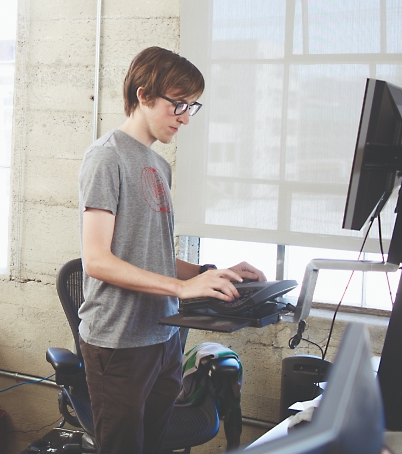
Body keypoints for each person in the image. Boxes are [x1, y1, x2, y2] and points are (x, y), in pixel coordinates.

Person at [77, 46, 266, 454]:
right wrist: (181, 290)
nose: (184, 116)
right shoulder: (106, 158)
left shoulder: (159, 165)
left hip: (164, 337)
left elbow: (151, 255)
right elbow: (96, 260)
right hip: (120, 341)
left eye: (191, 106)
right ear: (143, 96)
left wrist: (208, 272)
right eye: (178, 103)